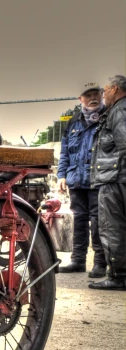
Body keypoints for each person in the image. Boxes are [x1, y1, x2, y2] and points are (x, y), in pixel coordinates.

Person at [57, 83, 107, 278]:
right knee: (79, 220)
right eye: (88, 95)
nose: (92, 97)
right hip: (76, 179)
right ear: (81, 99)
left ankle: (100, 263)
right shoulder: (73, 122)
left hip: (98, 179)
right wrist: (61, 175)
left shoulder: (108, 117)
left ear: (102, 95)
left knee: (98, 223)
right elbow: (64, 152)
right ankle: (78, 261)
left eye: (96, 94)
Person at [89, 75, 126, 291]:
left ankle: (119, 277)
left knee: (112, 229)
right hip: (118, 176)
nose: (103, 95)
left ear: (114, 89)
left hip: (115, 179)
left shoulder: (119, 110)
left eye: (105, 90)